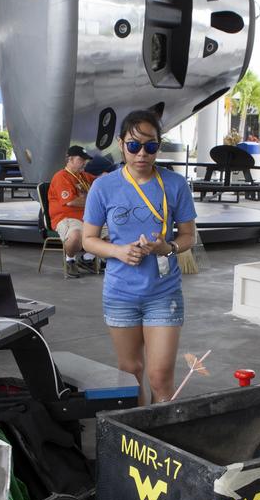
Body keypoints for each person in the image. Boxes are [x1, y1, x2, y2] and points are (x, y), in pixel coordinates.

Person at [82, 109, 196, 404]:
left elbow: (187, 237)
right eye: (134, 146)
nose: (142, 154)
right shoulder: (103, 187)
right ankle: (137, 443)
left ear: (159, 145)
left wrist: (166, 247)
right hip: (121, 294)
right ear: (121, 144)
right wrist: (119, 251)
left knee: (160, 377)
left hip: (163, 293)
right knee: (130, 373)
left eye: (151, 146)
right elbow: (88, 240)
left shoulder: (175, 184)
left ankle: (162, 442)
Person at [47, 145, 96, 278]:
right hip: (66, 218)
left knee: (115, 231)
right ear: (71, 159)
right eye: (82, 159)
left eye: (86, 160)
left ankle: (87, 259)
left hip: (87, 217)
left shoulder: (83, 176)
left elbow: (100, 182)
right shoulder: (61, 176)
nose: (85, 162)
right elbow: (72, 201)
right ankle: (70, 260)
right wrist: (94, 200)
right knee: (75, 235)